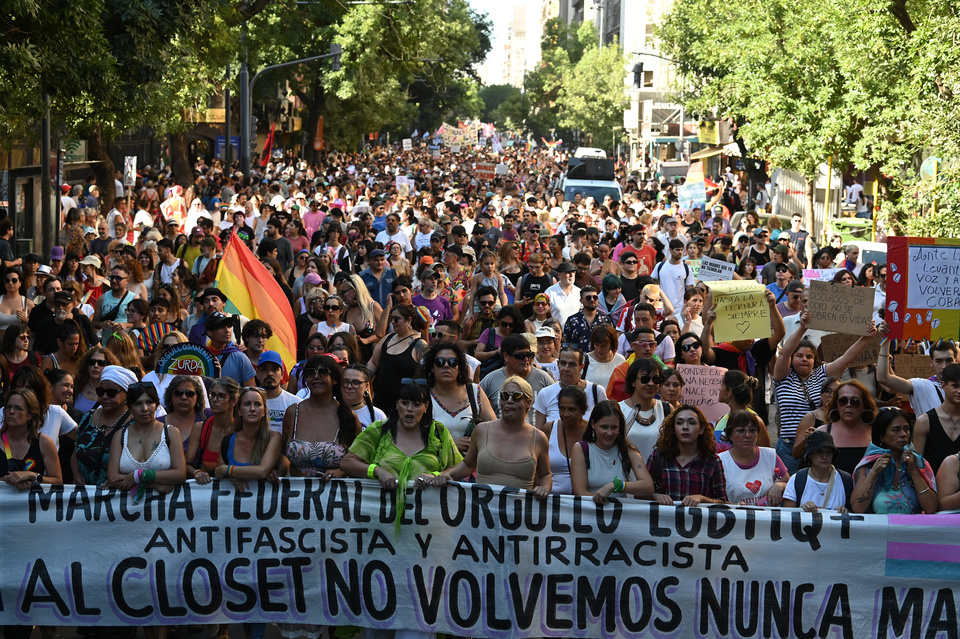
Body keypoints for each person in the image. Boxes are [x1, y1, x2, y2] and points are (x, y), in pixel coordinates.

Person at [343, 381, 463, 539]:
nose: (410, 409)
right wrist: (377, 471)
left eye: (416, 404)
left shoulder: (438, 432)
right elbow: (347, 463)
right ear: (396, 404)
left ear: (426, 406)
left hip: (428, 524)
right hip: (380, 521)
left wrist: (435, 475)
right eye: (405, 403)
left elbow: (458, 468)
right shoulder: (378, 430)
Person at [773, 309, 878, 474]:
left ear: (815, 360)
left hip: (819, 445)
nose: (804, 359)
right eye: (799, 355)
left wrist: (866, 338)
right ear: (792, 359)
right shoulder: (782, 377)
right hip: (789, 448)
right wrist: (802, 328)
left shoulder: (821, 373)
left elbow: (846, 358)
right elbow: (785, 352)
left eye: (809, 356)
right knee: (791, 490)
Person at [433, 376, 551, 497]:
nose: (509, 400)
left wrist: (544, 488)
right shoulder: (482, 430)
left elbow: (545, 475)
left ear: (528, 402)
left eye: (516, 396)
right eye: (505, 396)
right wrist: (444, 475)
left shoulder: (539, 438)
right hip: (481, 511)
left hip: (518, 512)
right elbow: (468, 465)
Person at [107, 380, 186, 508]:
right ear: (129, 407)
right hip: (127, 511)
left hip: (165, 509)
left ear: (156, 405)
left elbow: (180, 474)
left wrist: (139, 476)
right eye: (138, 404)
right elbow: (112, 478)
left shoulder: (171, 432)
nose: (144, 408)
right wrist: (152, 484)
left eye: (149, 402)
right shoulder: (120, 436)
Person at [282, 355, 360, 482]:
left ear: (335, 380)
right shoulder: (293, 412)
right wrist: (277, 470)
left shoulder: (348, 416)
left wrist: (342, 471)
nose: (316, 376)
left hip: (335, 495)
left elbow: (361, 458)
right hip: (295, 494)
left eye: (323, 372)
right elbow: (281, 452)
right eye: (310, 373)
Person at [851, 408, 938, 514]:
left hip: (912, 529)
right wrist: (874, 473)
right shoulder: (868, 466)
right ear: (882, 436)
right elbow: (857, 508)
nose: (903, 434)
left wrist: (914, 472)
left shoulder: (919, 464)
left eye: (906, 429)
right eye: (896, 430)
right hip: (880, 530)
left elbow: (931, 508)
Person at [570, 400, 656, 504]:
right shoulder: (581, 449)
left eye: (614, 427)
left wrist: (616, 485)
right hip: (590, 514)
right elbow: (579, 491)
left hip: (620, 516)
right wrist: (604, 501)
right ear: (593, 424)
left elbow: (648, 486)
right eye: (604, 427)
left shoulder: (629, 451)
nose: (609, 433)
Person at [647, 405, 727, 505]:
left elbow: (722, 501)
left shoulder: (713, 461)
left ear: (701, 429)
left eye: (692, 423)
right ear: (673, 429)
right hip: (664, 519)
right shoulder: (658, 457)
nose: (685, 427)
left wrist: (702, 498)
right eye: (679, 423)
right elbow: (640, 494)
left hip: (698, 520)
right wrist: (655, 496)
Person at [424, 341, 496, 454]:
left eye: (453, 362)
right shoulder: (423, 395)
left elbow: (494, 431)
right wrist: (450, 447)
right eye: (440, 362)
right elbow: (411, 440)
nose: (446, 366)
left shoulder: (474, 391)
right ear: (432, 367)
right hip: (433, 466)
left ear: (459, 367)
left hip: (470, 466)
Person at [72, 365, 135, 487]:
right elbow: (75, 452)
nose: (105, 397)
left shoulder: (134, 423)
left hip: (117, 495)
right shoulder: (87, 418)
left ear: (126, 395)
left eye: (111, 393)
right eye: (101, 391)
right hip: (85, 493)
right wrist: (76, 474)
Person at [214, 387, 283, 491]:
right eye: (247, 404)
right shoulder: (227, 441)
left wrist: (228, 470)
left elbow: (262, 471)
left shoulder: (274, 437)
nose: (252, 409)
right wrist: (230, 476)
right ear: (239, 411)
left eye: (257, 404)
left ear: (264, 412)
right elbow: (219, 472)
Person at [877, 327, 956, 417]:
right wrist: (886, 341)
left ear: (956, 360)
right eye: (939, 361)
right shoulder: (922, 386)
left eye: (949, 360)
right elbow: (883, 377)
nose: (944, 366)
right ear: (931, 362)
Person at [719, 410, 789, 506]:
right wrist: (733, 506)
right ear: (730, 435)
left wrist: (780, 485)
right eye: (741, 431)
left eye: (752, 430)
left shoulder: (770, 455)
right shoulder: (720, 461)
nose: (748, 435)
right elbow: (713, 500)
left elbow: (791, 487)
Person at [368, 303, 427, 412]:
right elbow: (373, 363)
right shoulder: (387, 338)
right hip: (381, 402)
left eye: (396, 319)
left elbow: (427, 372)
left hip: (405, 406)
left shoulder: (419, 345)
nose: (393, 322)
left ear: (408, 320)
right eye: (391, 318)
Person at [534, 345, 608, 429]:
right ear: (558, 364)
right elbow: (538, 434)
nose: (566, 368)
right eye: (563, 363)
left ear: (581, 367)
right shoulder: (545, 393)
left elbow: (605, 425)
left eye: (572, 364)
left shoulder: (596, 391)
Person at [1, 388, 62, 489]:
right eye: (8, 407)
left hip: (33, 504)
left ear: (30, 415)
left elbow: (58, 481)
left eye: (18, 408)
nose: (11, 412)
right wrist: (8, 479)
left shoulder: (44, 443)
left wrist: (33, 476)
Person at [186, 377, 241, 486]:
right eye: (212, 395)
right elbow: (186, 464)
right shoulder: (200, 428)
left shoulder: (242, 429)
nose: (214, 400)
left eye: (221, 396)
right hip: (207, 493)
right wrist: (196, 472)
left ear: (234, 401)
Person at [783, 431, 853, 513]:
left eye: (828, 452)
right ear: (810, 455)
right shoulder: (796, 480)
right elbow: (788, 516)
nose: (824, 456)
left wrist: (845, 512)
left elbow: (856, 514)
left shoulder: (846, 480)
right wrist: (802, 510)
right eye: (819, 452)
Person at [537, 385, 589, 495]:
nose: (565, 414)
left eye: (572, 409)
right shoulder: (549, 429)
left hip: (585, 502)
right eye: (562, 408)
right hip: (551, 499)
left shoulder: (593, 432)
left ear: (584, 409)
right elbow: (537, 468)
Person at [911, 362, 960, 474]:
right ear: (943, 386)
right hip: (932, 487)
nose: (959, 391)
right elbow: (918, 465)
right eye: (955, 386)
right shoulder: (925, 421)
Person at [714, 370, 772, 448]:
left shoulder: (756, 421)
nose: (719, 389)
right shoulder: (720, 421)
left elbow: (765, 454)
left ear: (729, 392)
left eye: (722, 385)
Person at [205, 311, 256, 387]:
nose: (227, 330)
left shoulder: (240, 358)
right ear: (210, 332)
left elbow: (250, 392)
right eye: (221, 327)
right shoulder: (202, 357)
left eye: (229, 326)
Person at [475, 305, 524, 380]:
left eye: (511, 325)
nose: (507, 327)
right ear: (499, 321)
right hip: (492, 374)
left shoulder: (519, 336)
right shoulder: (489, 332)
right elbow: (477, 354)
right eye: (504, 324)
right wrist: (496, 352)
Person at [159, 375, 207, 453]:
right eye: (178, 393)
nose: (184, 397)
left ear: (198, 397)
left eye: (189, 393)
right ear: (170, 395)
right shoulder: (158, 423)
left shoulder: (207, 417)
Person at [563, 286, 613, 353]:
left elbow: (612, 342)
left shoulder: (606, 320)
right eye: (588, 298)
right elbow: (566, 344)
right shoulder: (572, 320)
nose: (592, 300)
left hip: (601, 360)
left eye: (595, 297)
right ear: (581, 301)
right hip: (579, 360)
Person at [73, 347, 120, 414]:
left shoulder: (113, 391)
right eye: (92, 362)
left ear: (109, 366)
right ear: (86, 365)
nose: (95, 366)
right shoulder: (76, 387)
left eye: (101, 363)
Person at [341, 364, 387, 429]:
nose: (349, 386)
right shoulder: (331, 409)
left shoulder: (378, 415)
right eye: (345, 381)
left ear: (366, 386)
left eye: (356, 382)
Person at [584, 324, 624, 389]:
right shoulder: (585, 360)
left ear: (612, 344)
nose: (599, 349)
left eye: (604, 346)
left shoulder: (620, 360)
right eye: (596, 345)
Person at [0, 268, 33, 340]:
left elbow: (35, 328)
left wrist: (26, 320)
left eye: (14, 280)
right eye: (7, 280)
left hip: (20, 344)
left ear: (20, 282)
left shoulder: (28, 303)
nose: (10, 283)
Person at [545, 261, 581, 326]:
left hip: (574, 333)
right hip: (555, 333)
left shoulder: (579, 292)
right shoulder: (550, 292)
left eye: (573, 272)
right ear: (559, 275)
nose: (571, 275)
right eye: (568, 272)